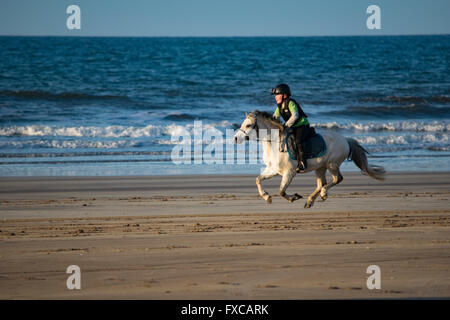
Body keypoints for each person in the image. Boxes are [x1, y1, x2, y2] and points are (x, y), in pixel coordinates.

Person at [271, 83, 310, 172]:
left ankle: (303, 163)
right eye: (275, 95)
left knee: (298, 141)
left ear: (284, 95)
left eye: (277, 95)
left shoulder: (291, 103)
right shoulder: (279, 106)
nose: (275, 97)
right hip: (292, 126)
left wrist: (285, 125)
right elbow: (275, 118)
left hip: (302, 125)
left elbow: (295, 115)